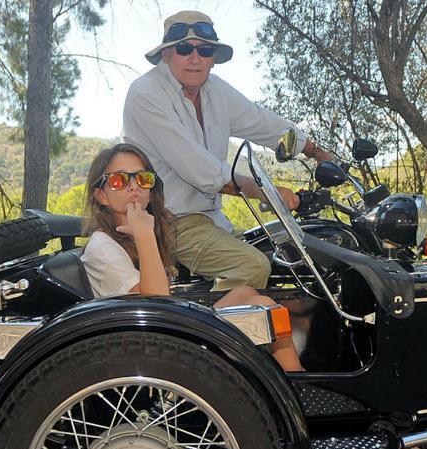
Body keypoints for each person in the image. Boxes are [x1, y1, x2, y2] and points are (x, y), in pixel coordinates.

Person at [122, 10, 333, 292]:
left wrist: (317, 153)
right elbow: (199, 168)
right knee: (252, 266)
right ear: (166, 55)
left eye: (204, 50)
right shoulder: (146, 93)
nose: (194, 58)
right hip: (167, 222)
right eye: (184, 49)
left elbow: (262, 121)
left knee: (294, 252)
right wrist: (267, 191)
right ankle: (204, 334)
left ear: (212, 58)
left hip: (211, 220)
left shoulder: (215, 90)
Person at [80, 143, 304, 372]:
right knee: (264, 308)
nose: (133, 187)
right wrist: (144, 233)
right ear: (101, 196)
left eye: (143, 179)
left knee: (245, 293)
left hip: (160, 336)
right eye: (119, 180)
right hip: (145, 352)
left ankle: (297, 380)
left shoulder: (132, 236)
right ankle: (298, 389)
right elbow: (157, 304)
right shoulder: (103, 246)